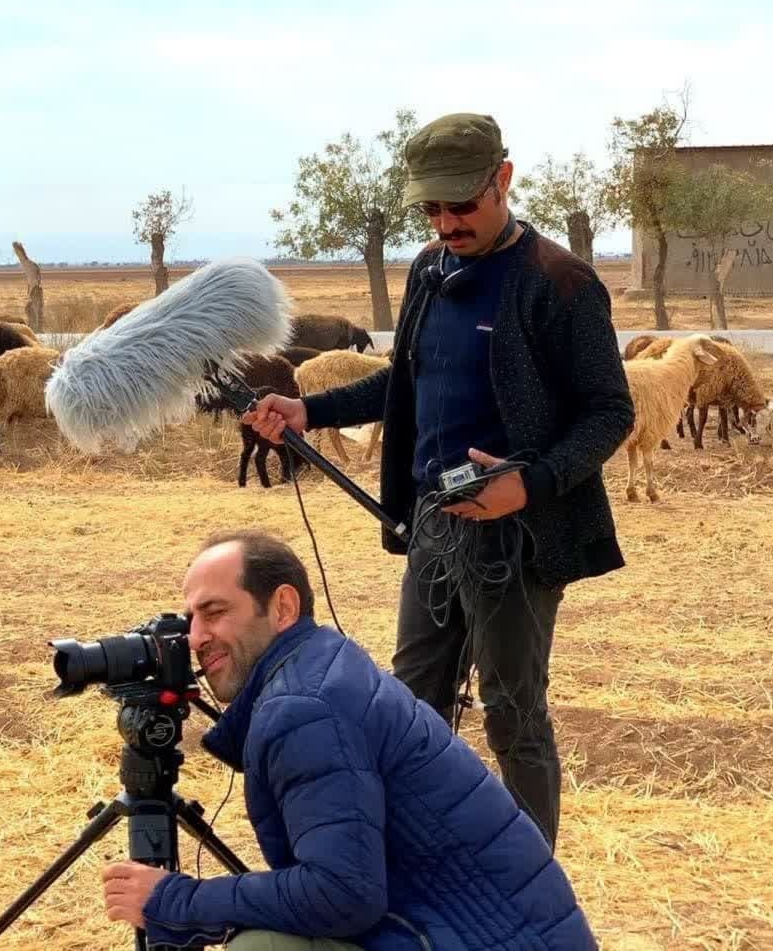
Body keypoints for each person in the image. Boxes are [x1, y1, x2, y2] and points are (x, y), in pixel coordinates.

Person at [244, 113, 635, 848]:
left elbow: (610, 411)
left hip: (517, 534)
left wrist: (531, 483)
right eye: (432, 207)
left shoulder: (560, 282)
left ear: (504, 180)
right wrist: (309, 408)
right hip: (434, 523)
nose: (447, 221)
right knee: (412, 699)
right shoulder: (429, 269)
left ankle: (529, 891)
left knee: (513, 711)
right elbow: (408, 382)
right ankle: (421, 865)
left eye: (462, 204)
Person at [101, 530, 596, 951]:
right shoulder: (316, 668)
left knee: (260, 948)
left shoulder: (303, 707)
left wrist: (175, 900)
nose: (194, 637)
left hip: (484, 938)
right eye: (190, 619)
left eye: (214, 612)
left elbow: (342, 894)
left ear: (283, 607)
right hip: (484, 929)